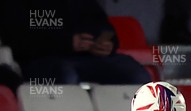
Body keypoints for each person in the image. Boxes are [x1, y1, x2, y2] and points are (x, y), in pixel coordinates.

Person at [0, 0, 150, 85]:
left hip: (91, 58)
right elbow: (18, 38)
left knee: (136, 74)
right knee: (66, 75)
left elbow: (104, 26)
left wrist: (107, 43)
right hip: (42, 59)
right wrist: (68, 42)